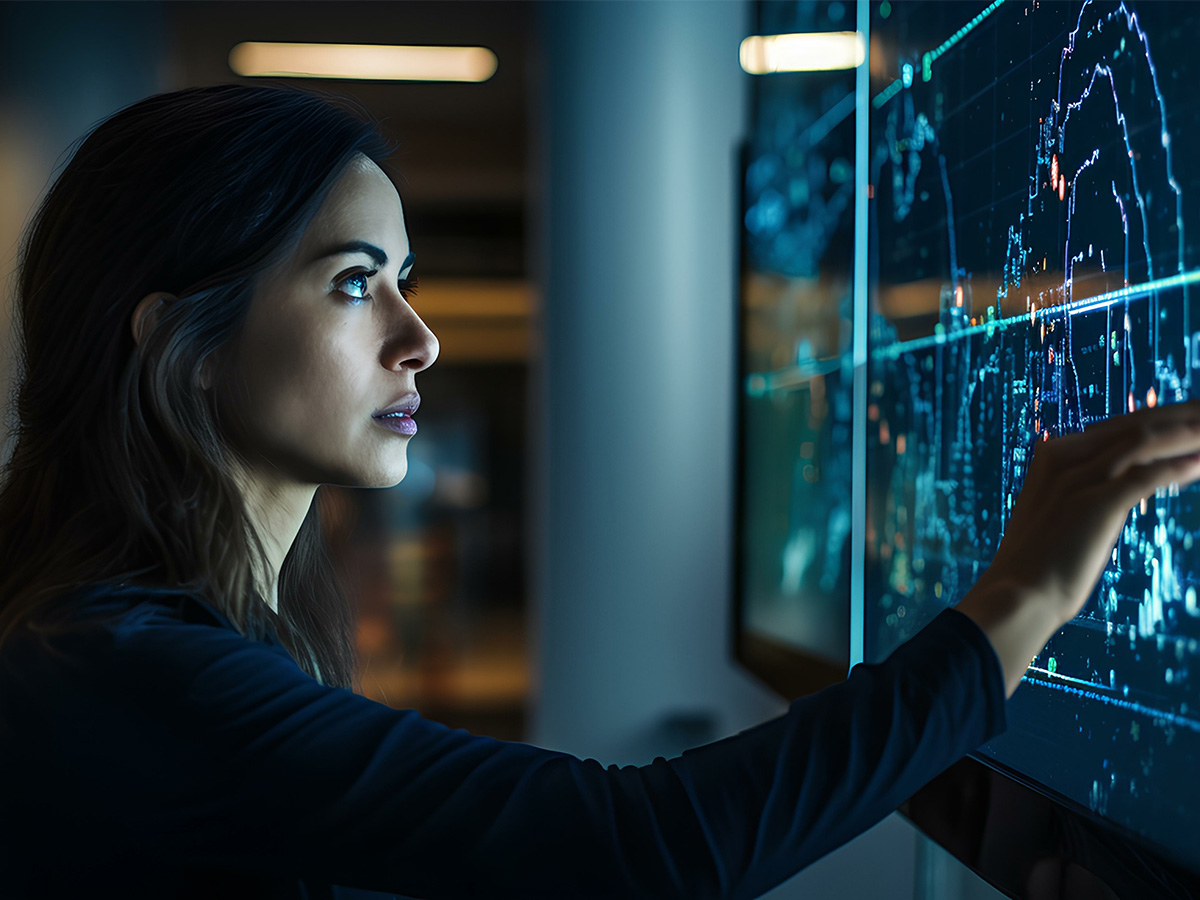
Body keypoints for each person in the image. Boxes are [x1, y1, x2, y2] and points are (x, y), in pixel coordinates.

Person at [1, 83, 1198, 900]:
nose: (420, 338)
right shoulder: (124, 666)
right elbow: (638, 849)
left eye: (404, 280)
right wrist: (1028, 591)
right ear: (184, 343)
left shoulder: (139, 635)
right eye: (355, 284)